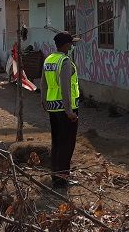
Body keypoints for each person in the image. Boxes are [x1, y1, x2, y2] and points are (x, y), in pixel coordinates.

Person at [42, 31, 81, 188]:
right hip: (65, 109)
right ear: (65, 45)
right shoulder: (64, 62)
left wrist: (44, 101)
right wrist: (69, 111)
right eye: (70, 44)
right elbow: (65, 88)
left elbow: (44, 83)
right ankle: (62, 179)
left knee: (57, 142)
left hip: (53, 107)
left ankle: (56, 176)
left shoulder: (49, 59)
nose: (72, 46)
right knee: (67, 144)